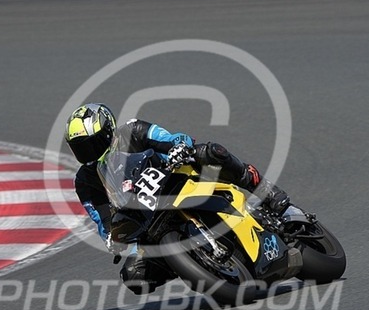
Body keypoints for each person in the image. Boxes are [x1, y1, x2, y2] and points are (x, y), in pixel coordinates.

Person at [65, 103, 290, 294]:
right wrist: (110, 237)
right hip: (146, 217)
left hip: (175, 178)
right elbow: (101, 216)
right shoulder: (85, 180)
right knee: (134, 276)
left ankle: (266, 191)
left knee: (210, 152)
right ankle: (191, 263)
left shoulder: (132, 130)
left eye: (91, 144)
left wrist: (179, 146)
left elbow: (170, 137)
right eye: (80, 148)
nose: (88, 152)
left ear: (107, 131)